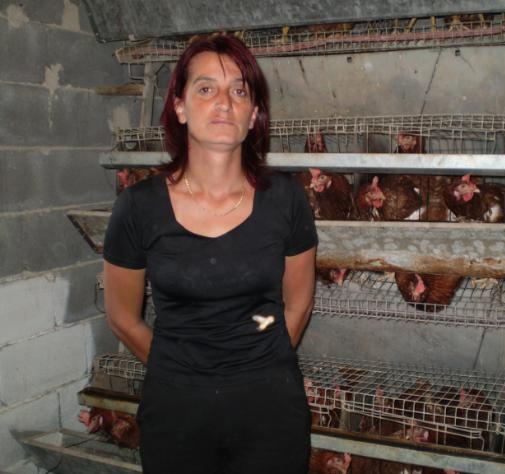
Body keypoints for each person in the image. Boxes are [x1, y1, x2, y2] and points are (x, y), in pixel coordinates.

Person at [102, 35, 317, 473]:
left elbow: (298, 303)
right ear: (179, 106)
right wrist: (182, 372)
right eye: (205, 88)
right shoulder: (138, 207)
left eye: (239, 90)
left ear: (253, 114)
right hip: (176, 413)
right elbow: (122, 317)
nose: (224, 102)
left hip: (270, 411)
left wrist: (259, 366)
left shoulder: (286, 200)